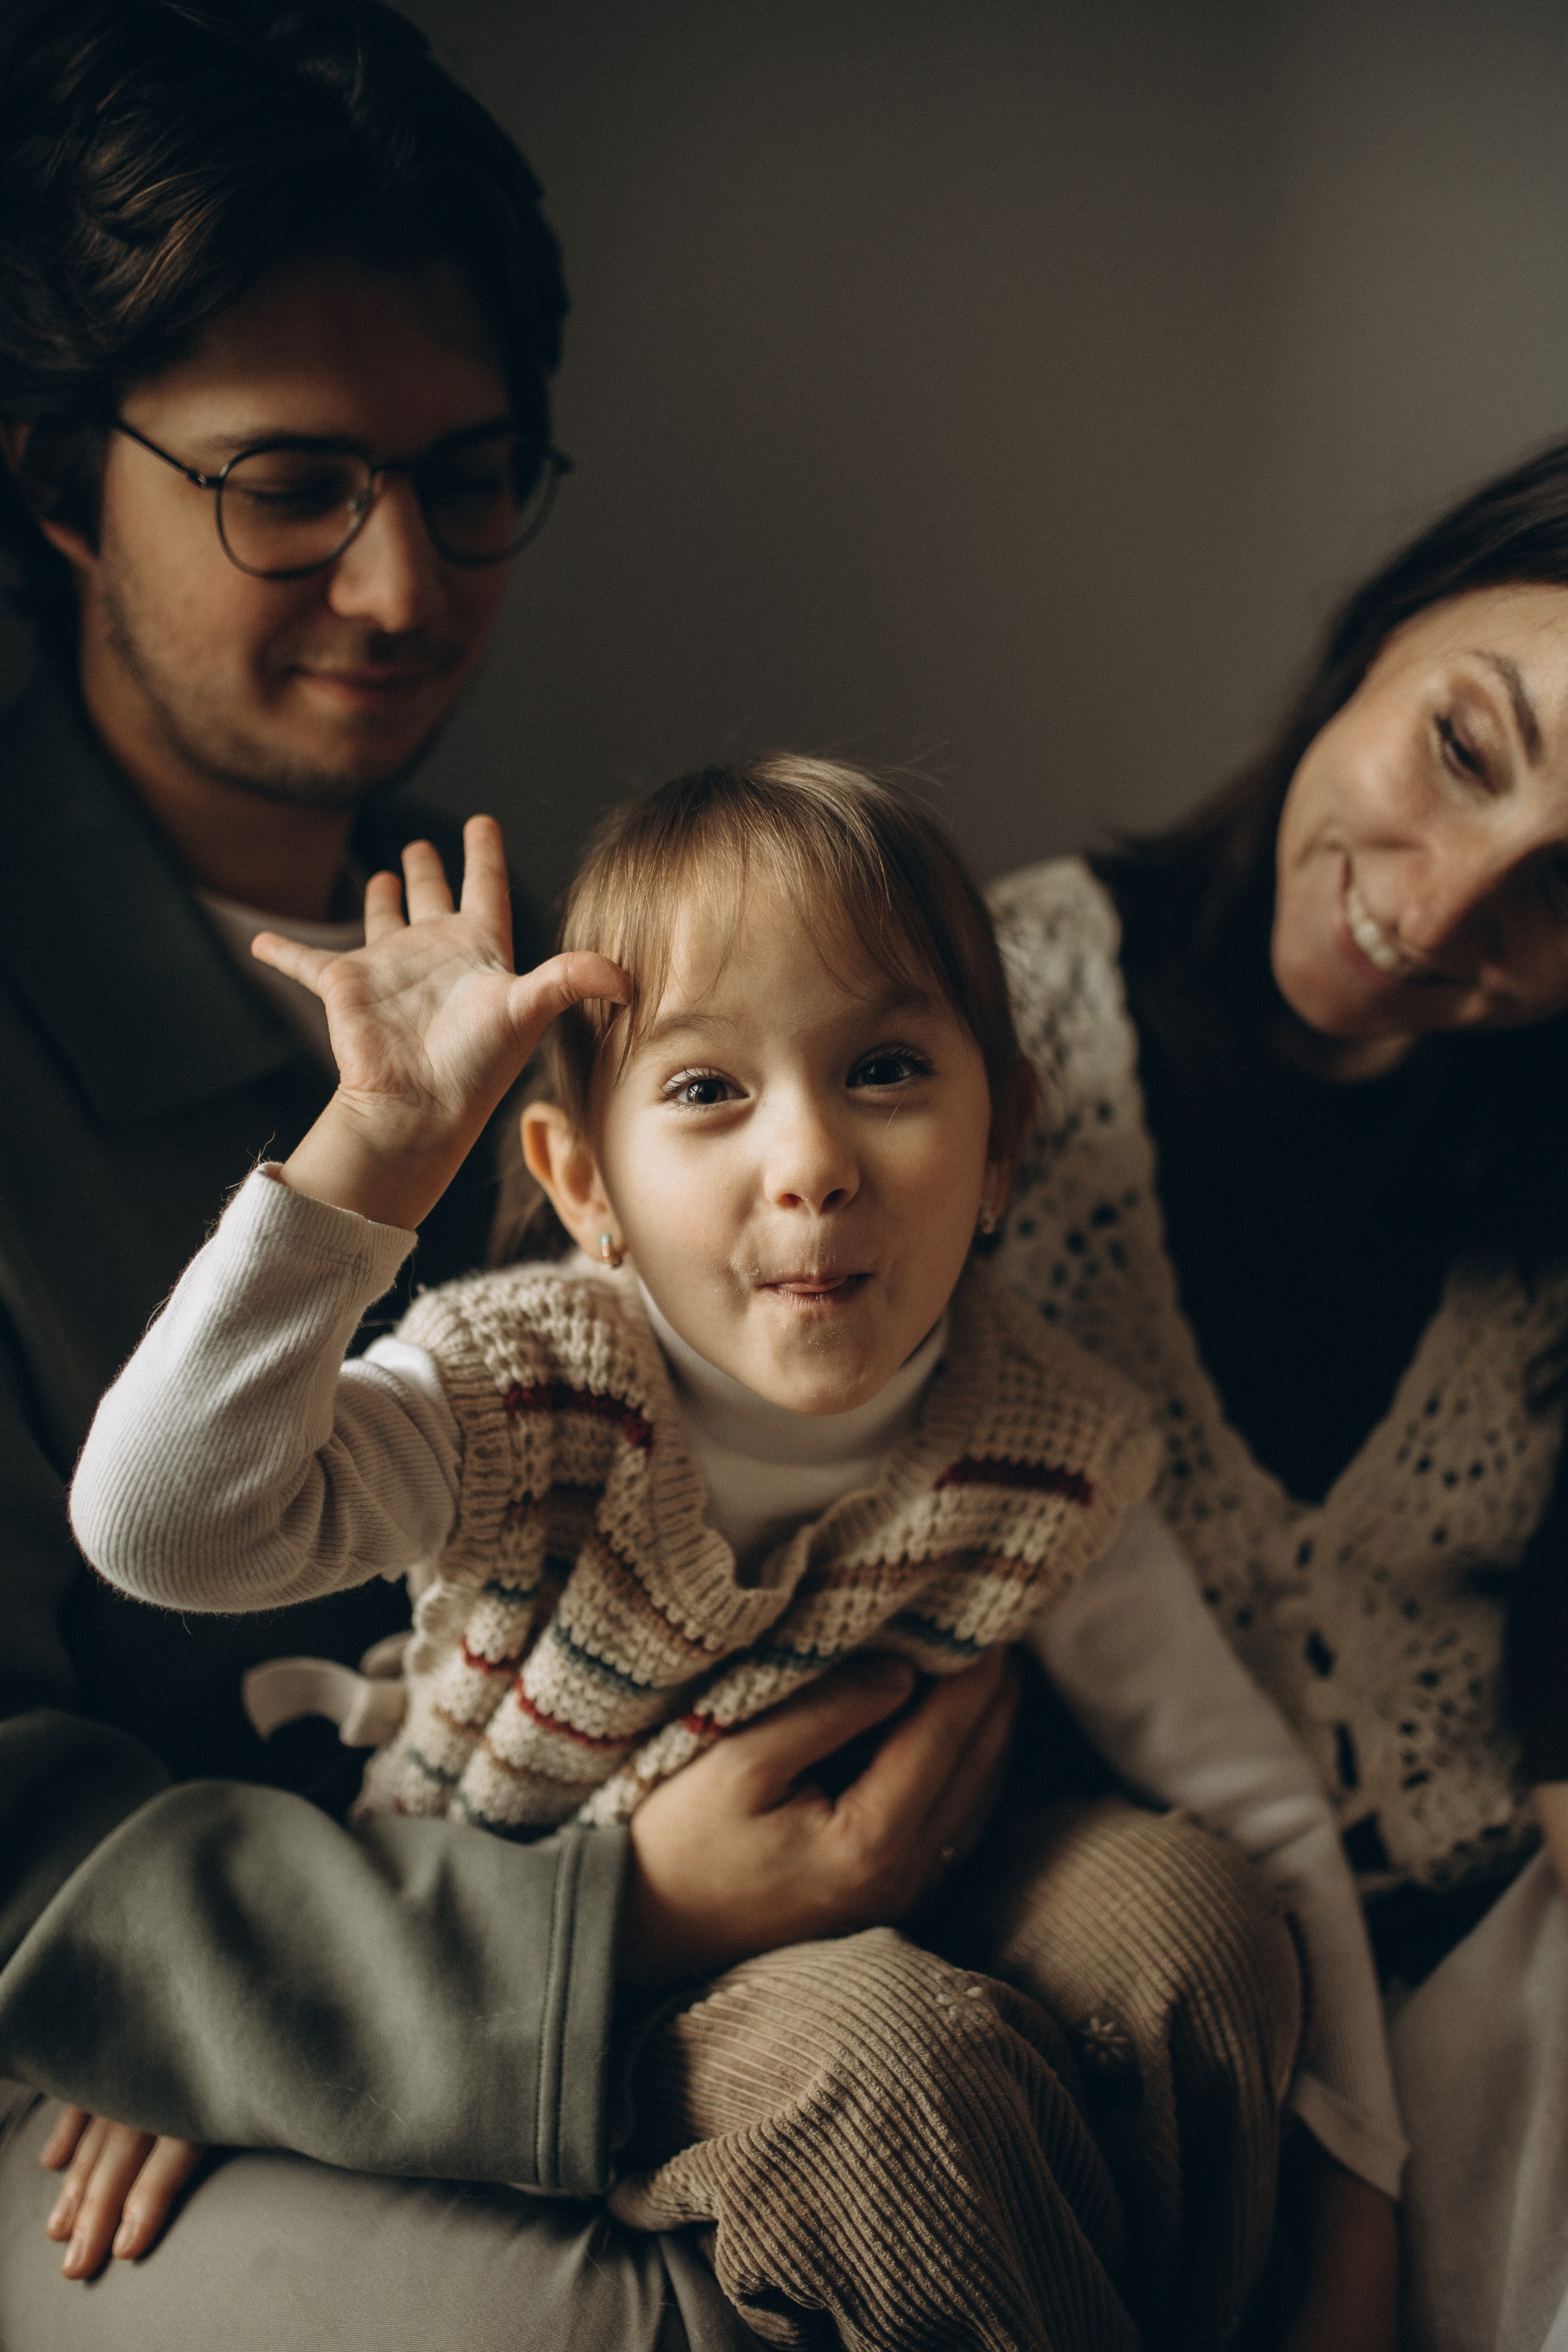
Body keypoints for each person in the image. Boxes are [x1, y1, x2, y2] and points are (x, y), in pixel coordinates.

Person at [0, 6, 1008, 2347]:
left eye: (471, 478)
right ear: (61, 479)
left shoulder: (577, 1001)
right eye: (288, 486)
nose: (397, 589)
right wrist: (604, 1925)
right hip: (111, 2068)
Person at [65, 756, 1403, 2350]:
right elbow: (161, 1525)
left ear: (1001, 1154)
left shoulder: (1048, 1441)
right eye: (709, 1091)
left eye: (888, 1068)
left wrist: (1360, 2193)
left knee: (1190, 1921)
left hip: (930, 1899)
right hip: (559, 1973)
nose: (813, 1161)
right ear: (585, 1187)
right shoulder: (524, 1391)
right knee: (887, 2065)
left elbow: (1247, 1788)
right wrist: (376, 1153)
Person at [989, 436, 1568, 2352]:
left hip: (1498, 1956)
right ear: (1379, 634)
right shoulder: (959, 1029)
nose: (1462, 898)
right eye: (1467, 749)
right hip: (1150, 1960)